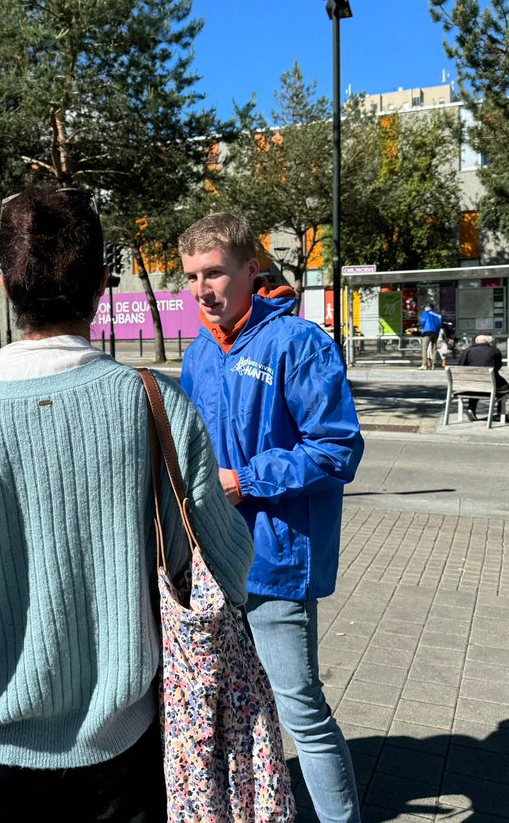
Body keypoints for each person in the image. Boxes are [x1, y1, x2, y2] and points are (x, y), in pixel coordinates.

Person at [0, 188, 254, 823]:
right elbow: (228, 566)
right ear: (102, 283)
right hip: (120, 739)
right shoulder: (155, 402)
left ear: (5, 284)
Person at [178, 212, 364, 823]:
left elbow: (337, 448)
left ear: (251, 271)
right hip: (215, 562)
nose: (203, 290)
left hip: (276, 562)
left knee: (300, 711)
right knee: (236, 709)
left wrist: (247, 479)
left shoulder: (300, 343)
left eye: (216, 274)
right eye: (192, 277)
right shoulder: (201, 350)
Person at [457, 334, 509, 422]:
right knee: (505, 388)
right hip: (488, 385)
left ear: (476, 341)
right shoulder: (495, 351)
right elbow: (498, 366)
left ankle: (471, 408)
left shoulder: (467, 351)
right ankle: (500, 413)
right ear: (488, 341)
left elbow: (460, 366)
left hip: (469, 386)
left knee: (476, 384)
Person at [419, 303, 443, 370]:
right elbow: (440, 325)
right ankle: (433, 365)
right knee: (434, 349)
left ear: (427, 307)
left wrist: (423, 327)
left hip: (427, 331)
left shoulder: (426, 313)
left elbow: (422, 322)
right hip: (435, 333)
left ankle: (424, 365)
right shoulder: (438, 316)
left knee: (424, 348)